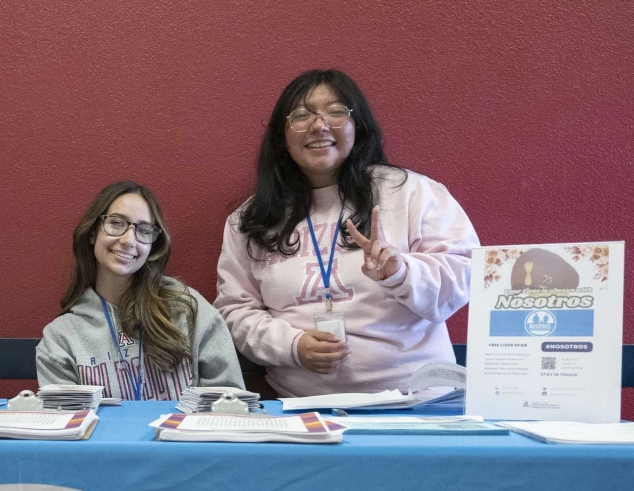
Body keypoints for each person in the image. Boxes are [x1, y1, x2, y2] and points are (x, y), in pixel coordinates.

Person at [215, 69, 479, 397]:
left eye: (337, 111)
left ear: (358, 126)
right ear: (282, 136)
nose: (319, 125)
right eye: (301, 115)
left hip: (419, 403)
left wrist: (400, 272)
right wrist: (293, 346)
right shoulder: (251, 219)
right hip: (305, 409)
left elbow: (464, 276)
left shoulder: (411, 192)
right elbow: (234, 310)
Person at [37, 181, 243, 400]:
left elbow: (230, 403)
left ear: (153, 245)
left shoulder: (187, 308)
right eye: (116, 223)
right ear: (92, 232)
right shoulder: (61, 338)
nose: (128, 240)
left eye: (143, 230)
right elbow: (65, 425)